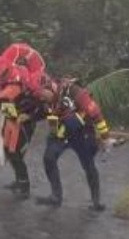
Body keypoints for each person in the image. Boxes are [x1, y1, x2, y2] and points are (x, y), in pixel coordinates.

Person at [0, 43, 50, 198]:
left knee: (16, 151)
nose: (3, 76)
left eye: (4, 73)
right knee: (8, 148)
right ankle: (19, 180)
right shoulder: (7, 74)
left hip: (27, 115)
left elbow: (7, 94)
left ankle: (25, 186)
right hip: (14, 111)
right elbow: (4, 98)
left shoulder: (19, 77)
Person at [36, 77, 113, 210]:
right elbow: (42, 114)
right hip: (61, 133)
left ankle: (96, 202)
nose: (43, 98)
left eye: (44, 95)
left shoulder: (74, 91)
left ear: (52, 89)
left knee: (88, 166)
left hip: (82, 133)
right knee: (49, 158)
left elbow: (96, 114)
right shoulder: (45, 101)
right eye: (40, 96)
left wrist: (105, 137)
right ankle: (56, 196)